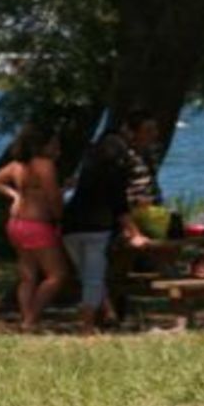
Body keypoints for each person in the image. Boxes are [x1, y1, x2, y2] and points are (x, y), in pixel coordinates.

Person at [62, 128, 151, 331]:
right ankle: (87, 327)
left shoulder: (87, 171)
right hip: (96, 230)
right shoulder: (115, 174)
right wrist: (136, 235)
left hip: (70, 228)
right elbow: (121, 208)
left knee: (87, 274)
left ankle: (108, 313)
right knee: (93, 279)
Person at [0, 124, 69, 330]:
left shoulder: (17, 166)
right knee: (57, 275)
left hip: (17, 223)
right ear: (43, 145)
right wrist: (60, 217)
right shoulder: (45, 165)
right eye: (54, 143)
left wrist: (15, 196)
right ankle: (30, 319)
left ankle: (27, 318)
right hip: (37, 225)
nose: (57, 148)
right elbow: (52, 196)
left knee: (28, 276)